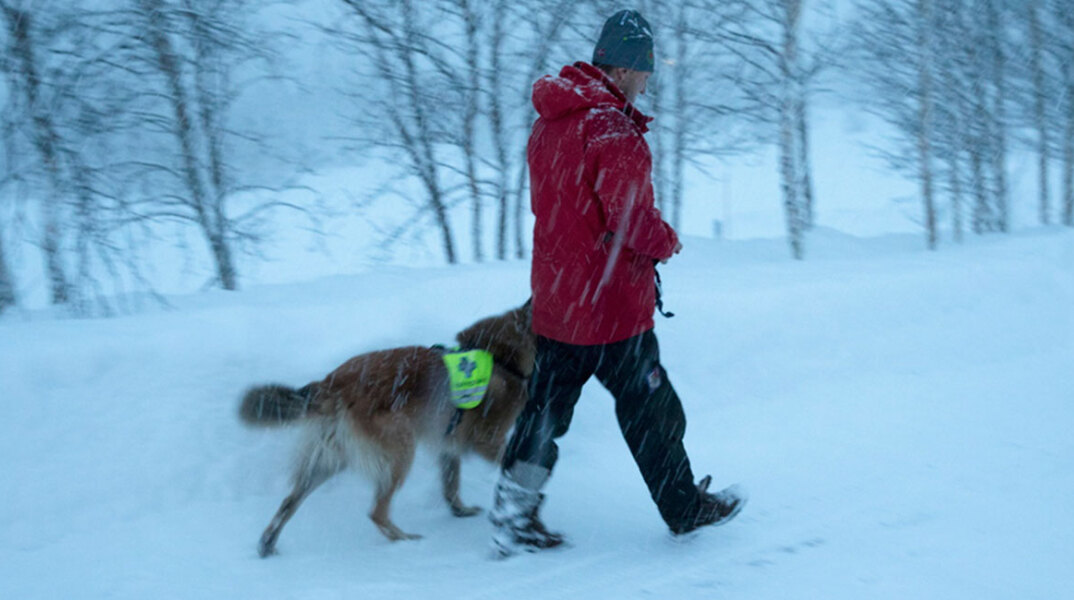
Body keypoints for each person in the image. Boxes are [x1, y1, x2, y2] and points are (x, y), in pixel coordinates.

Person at [489, 10, 745, 557]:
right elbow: (629, 220)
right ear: (627, 66)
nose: (649, 80)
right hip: (609, 310)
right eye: (646, 70)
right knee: (652, 411)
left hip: (558, 301)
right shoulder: (610, 126)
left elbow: (554, 208)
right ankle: (683, 508)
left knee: (544, 415)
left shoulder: (550, 123)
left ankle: (513, 514)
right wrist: (667, 241)